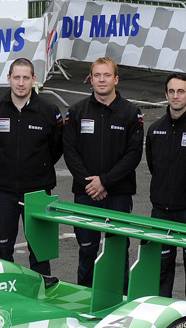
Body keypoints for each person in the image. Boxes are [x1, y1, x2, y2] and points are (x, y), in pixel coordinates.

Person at [62, 57, 144, 287]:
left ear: (116, 79)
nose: (101, 79)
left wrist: (105, 182)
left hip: (118, 194)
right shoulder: (77, 111)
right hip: (85, 193)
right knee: (87, 251)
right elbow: (70, 150)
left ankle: (122, 302)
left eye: (106, 75)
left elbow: (133, 154)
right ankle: (84, 300)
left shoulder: (130, 112)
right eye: (97, 75)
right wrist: (90, 184)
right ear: (91, 78)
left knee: (118, 250)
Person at [0, 58, 63, 275]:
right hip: (3, 192)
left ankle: (43, 294)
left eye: (26, 78)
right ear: (9, 79)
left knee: (40, 251)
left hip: (38, 192)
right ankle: (5, 295)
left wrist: (38, 168)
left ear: (34, 80)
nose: (21, 83)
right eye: (16, 77)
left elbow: (55, 148)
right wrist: (3, 166)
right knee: (2, 250)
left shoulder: (49, 111)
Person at [145, 72, 186, 303]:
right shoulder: (155, 129)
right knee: (161, 266)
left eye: (181, 91)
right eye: (171, 91)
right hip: (161, 210)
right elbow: (154, 166)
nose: (175, 96)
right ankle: (162, 315)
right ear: (166, 94)